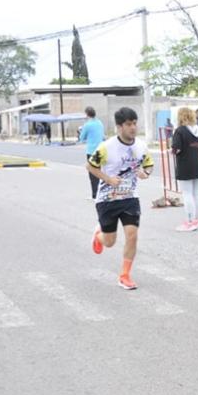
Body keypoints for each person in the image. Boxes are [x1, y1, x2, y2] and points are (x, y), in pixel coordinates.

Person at [86, 107, 154, 290]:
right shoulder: (106, 147)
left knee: (132, 236)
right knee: (110, 242)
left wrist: (145, 173)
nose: (133, 127)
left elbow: (149, 165)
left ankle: (124, 275)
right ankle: (98, 236)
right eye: (128, 124)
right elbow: (90, 166)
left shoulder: (140, 146)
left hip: (130, 197)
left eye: (134, 123)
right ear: (119, 127)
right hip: (107, 199)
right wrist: (108, 179)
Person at [171, 107, 198, 232]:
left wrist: (172, 150)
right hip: (197, 164)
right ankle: (197, 220)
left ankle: (189, 222)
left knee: (187, 194)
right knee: (196, 194)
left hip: (185, 165)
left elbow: (176, 149)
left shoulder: (180, 131)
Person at [79, 106, 105, 200]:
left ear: (86, 114)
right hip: (101, 150)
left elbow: (81, 138)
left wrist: (81, 132)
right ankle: (102, 193)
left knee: (93, 174)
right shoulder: (100, 123)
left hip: (91, 151)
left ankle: (95, 195)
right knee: (100, 171)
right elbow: (103, 136)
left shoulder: (87, 125)